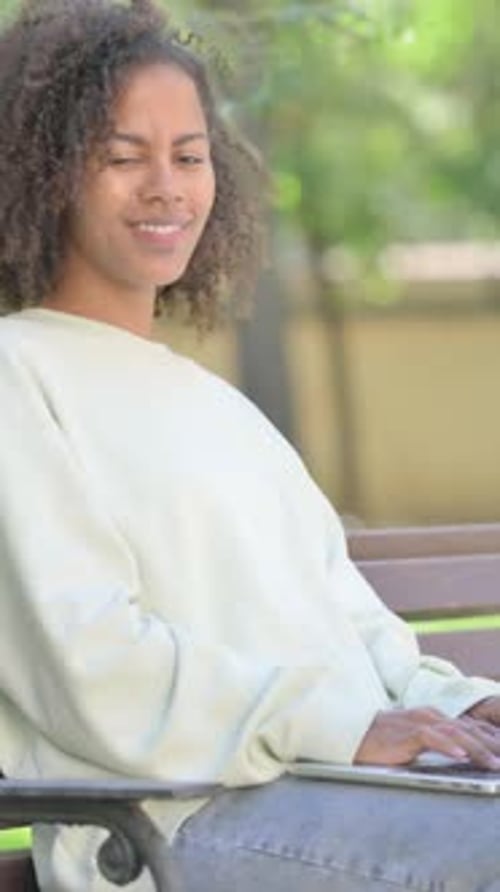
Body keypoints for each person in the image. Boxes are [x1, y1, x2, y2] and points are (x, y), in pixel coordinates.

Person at [1, 1, 500, 890]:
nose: (166, 186)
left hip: (329, 784)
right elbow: (90, 661)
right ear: (40, 173)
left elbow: (350, 624)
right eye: (122, 157)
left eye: (189, 156)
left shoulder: (215, 406)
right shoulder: (17, 374)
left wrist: (461, 704)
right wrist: (338, 725)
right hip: (174, 822)